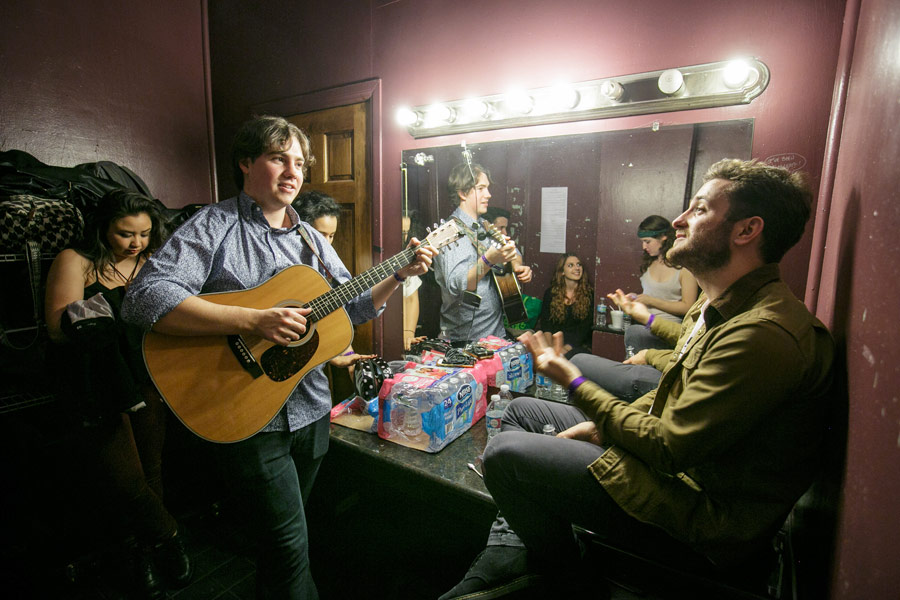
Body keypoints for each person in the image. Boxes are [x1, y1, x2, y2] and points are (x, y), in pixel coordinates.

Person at [439, 158, 834, 599]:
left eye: (700, 210)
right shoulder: (731, 310)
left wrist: (573, 380)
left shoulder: (762, 333)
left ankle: (565, 575)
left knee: (504, 453)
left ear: (747, 231)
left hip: (698, 512)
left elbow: (667, 447)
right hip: (680, 469)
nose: (679, 220)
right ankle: (519, 538)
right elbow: (672, 401)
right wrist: (604, 424)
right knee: (521, 409)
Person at [121, 115, 435, 599]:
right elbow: (145, 298)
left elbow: (350, 308)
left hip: (310, 409)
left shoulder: (310, 237)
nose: (293, 172)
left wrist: (399, 273)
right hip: (246, 416)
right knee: (289, 546)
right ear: (246, 162)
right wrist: (253, 320)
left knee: (282, 542)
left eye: (300, 163)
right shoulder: (214, 225)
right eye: (278, 158)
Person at [44, 189, 191, 599]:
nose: (136, 243)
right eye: (126, 233)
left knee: (151, 469)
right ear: (103, 228)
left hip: (147, 377)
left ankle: (142, 553)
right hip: (98, 384)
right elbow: (58, 330)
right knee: (124, 478)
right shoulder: (77, 261)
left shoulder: (153, 262)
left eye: (145, 233)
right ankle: (169, 535)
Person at [432, 162, 532, 344]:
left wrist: (517, 265)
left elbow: (513, 250)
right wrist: (488, 260)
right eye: (481, 188)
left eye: (488, 188)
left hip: (495, 335)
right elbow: (457, 284)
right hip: (465, 342)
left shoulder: (484, 225)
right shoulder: (449, 232)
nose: (489, 194)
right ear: (463, 193)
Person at [292, 189, 376, 370]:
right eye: (321, 235)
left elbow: (332, 317)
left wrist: (348, 360)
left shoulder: (327, 268)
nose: (327, 243)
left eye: (331, 236)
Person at [622, 215, 698, 353]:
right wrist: (637, 298)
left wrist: (651, 300)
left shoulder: (684, 267)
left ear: (663, 237)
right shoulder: (649, 264)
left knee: (634, 332)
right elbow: (650, 295)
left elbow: (688, 307)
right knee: (634, 330)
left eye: (647, 241)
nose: (644, 247)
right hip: (645, 323)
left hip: (669, 329)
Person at [538, 253, 593, 357]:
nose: (577, 268)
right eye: (570, 265)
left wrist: (564, 349)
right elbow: (546, 326)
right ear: (562, 271)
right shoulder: (551, 293)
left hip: (577, 346)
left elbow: (584, 330)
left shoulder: (589, 295)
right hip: (554, 344)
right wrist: (550, 349)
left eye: (579, 264)